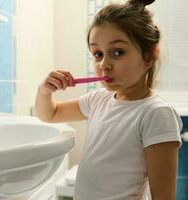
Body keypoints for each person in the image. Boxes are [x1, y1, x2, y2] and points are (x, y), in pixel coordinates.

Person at [35, 0, 183, 199]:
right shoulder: (99, 99)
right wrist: (44, 91)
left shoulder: (155, 113)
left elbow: (163, 197)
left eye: (117, 52)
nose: (104, 64)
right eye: (98, 54)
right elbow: (50, 114)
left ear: (149, 57)